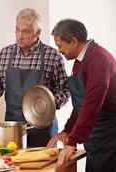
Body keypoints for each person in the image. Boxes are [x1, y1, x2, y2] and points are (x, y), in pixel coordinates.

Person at [0, 8, 70, 147]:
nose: (20, 36)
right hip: (13, 131)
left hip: (44, 131)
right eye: (17, 30)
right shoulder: (4, 55)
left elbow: (65, 90)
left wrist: (49, 103)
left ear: (38, 33)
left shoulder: (53, 57)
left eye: (26, 31)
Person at [47, 19, 116, 171]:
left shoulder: (99, 59)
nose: (59, 50)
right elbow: (80, 104)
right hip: (95, 136)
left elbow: (92, 104)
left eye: (60, 45)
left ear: (73, 41)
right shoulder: (79, 62)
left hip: (109, 136)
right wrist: (67, 131)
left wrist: (73, 141)